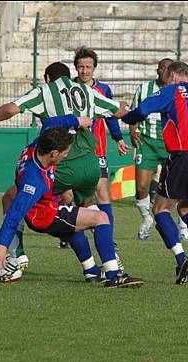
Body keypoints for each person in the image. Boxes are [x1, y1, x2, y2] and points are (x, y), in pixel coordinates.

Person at [0, 62, 140, 285]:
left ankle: (19, 255)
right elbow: (120, 111)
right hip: (88, 166)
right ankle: (110, 268)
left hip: (60, 177)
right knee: (91, 210)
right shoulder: (88, 90)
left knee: (14, 198)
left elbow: (16, 110)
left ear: (47, 78)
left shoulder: (36, 139)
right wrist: (131, 114)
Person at [0, 122, 143, 288]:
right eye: (65, 153)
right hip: (46, 216)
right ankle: (113, 275)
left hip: (48, 206)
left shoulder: (36, 146)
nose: (66, 156)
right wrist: (2, 246)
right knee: (101, 217)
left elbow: (49, 124)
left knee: (72, 222)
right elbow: (16, 212)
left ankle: (91, 271)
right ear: (53, 154)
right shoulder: (34, 181)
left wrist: (76, 119)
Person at [122, 61, 188, 285]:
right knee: (186, 208)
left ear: (171, 77)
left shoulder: (173, 90)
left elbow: (142, 110)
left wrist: (125, 117)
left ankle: (181, 259)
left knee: (161, 208)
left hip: (186, 156)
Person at [56, 46, 130, 250]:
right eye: (81, 67)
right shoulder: (67, 89)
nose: (84, 71)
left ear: (94, 68)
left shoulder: (103, 90)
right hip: (71, 150)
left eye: (88, 67)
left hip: (97, 150)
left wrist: (118, 139)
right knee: (69, 195)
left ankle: (107, 237)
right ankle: (68, 230)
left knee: (102, 193)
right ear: (75, 68)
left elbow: (110, 115)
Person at [129, 58, 188, 241]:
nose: (164, 71)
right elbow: (135, 112)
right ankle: (147, 219)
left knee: (178, 186)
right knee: (141, 187)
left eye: (168, 68)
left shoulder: (181, 91)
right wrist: (133, 131)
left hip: (171, 143)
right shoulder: (144, 89)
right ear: (158, 71)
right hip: (147, 142)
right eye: (162, 68)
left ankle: (183, 226)